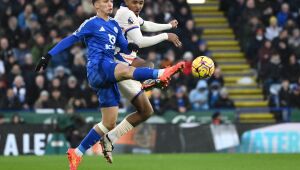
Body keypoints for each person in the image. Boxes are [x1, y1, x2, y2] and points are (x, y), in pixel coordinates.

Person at [34, 0, 185, 169]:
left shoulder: (113, 24)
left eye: (110, 1)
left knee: (109, 123)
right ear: (96, 5)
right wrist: (48, 55)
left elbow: (124, 45)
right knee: (126, 71)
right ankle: (161, 73)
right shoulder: (91, 23)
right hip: (98, 67)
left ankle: (77, 152)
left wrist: (131, 46)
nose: (109, 4)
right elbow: (71, 39)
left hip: (108, 74)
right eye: (105, 1)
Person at [99, 0, 182, 163]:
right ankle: (149, 81)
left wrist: (168, 26)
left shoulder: (130, 13)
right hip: (118, 66)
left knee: (146, 111)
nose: (138, 6)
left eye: (141, 2)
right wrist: (167, 36)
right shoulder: (125, 13)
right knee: (148, 65)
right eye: (135, 2)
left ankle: (110, 138)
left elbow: (145, 25)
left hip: (125, 62)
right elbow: (140, 41)